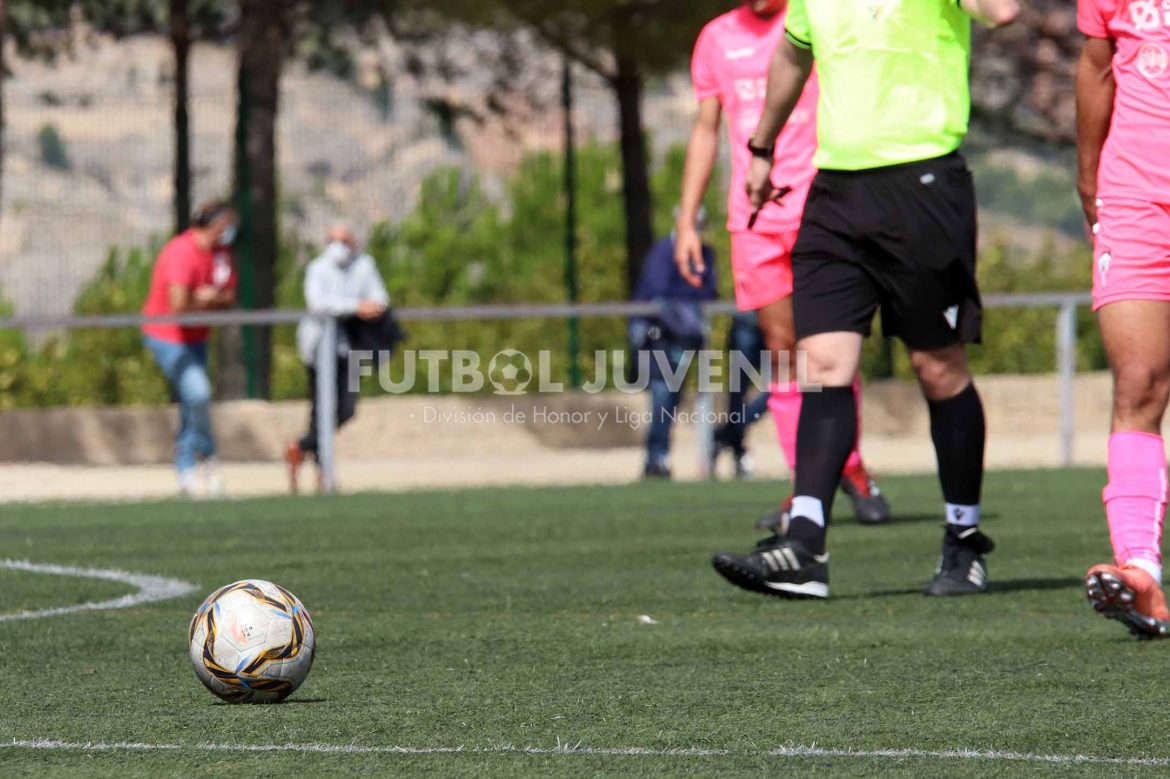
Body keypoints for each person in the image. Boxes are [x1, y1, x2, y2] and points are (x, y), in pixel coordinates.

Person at [712, 0, 1019, 600]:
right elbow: (792, 54)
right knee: (823, 367)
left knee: (938, 368)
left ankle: (963, 541)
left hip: (924, 185)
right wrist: (761, 148)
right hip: (833, 195)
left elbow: (1002, 11)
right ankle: (805, 546)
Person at [678, 0, 890, 527]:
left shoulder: (815, 17)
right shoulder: (716, 38)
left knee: (831, 346)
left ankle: (852, 466)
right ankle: (804, 487)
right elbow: (706, 130)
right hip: (754, 216)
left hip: (823, 207)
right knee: (782, 350)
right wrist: (686, 219)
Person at [1078, 0, 1170, 638]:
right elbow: (1095, 66)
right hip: (1136, 197)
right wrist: (1089, 176)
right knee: (1138, 385)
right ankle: (1141, 572)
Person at [142, 200, 239, 498]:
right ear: (216, 224)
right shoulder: (181, 251)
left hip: (198, 337)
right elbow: (179, 305)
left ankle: (187, 469)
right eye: (228, 224)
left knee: (191, 402)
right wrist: (210, 300)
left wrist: (213, 299)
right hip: (167, 336)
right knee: (198, 393)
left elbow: (229, 297)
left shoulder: (221, 255)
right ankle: (206, 455)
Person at [286, 224, 390, 493]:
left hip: (351, 347)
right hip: (319, 349)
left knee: (346, 409)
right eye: (333, 240)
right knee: (320, 407)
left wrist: (364, 306)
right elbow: (317, 304)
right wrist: (355, 307)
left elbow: (379, 299)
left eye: (344, 240)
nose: (339, 246)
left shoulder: (364, 265)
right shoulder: (317, 269)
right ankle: (324, 473)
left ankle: (302, 447)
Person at [630, 209, 719, 479]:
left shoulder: (706, 254)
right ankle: (656, 457)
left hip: (683, 336)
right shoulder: (663, 251)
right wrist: (689, 292)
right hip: (656, 336)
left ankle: (658, 456)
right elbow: (659, 291)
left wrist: (685, 294)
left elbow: (710, 291)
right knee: (662, 394)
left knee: (673, 396)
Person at [711, 312, 771, 480]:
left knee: (780, 390)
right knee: (737, 394)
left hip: (776, 321)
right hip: (746, 320)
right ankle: (732, 443)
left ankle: (724, 436)